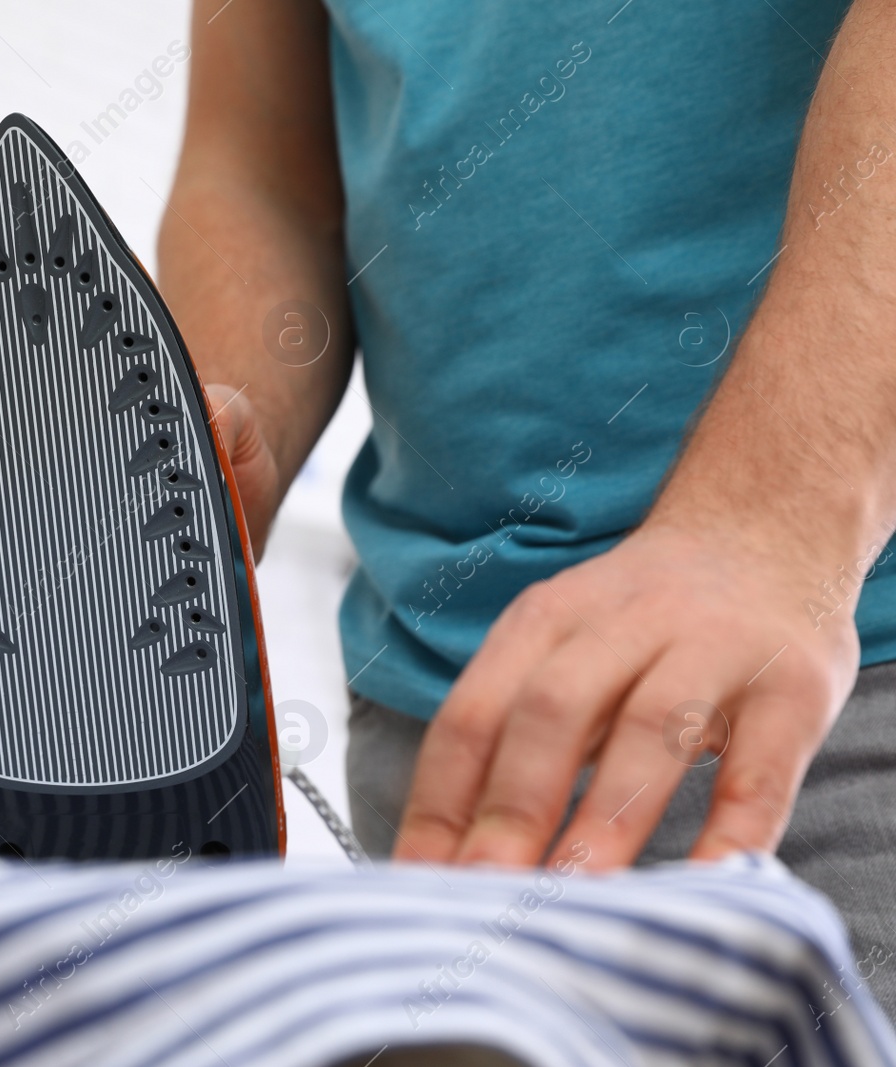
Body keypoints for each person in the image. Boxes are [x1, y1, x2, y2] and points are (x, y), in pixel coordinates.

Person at [158, 0, 896, 1013]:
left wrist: (774, 520)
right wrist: (218, 428)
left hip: (832, 690)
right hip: (441, 719)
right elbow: (261, 167)